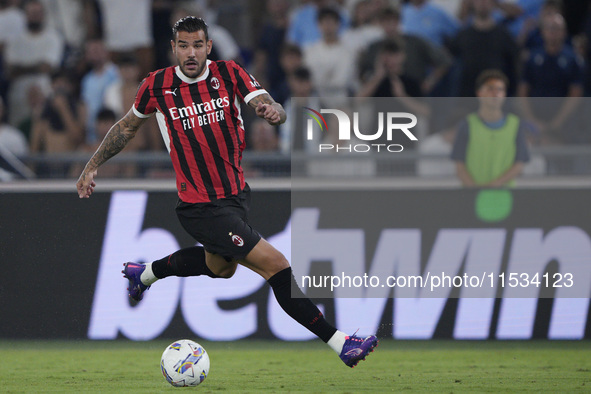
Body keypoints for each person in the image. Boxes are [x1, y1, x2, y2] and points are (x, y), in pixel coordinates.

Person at [76, 16, 377, 368]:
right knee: (276, 266)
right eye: (183, 45)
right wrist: (92, 164)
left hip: (234, 196)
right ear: (173, 48)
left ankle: (142, 274)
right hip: (199, 205)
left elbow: (269, 103)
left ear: (209, 47)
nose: (191, 53)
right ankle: (341, 343)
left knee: (221, 269)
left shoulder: (229, 73)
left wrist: (273, 112)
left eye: (197, 45)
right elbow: (127, 127)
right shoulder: (157, 85)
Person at [451, 69, 530, 187]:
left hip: (504, 196)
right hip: (470, 196)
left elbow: (519, 164)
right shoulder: (467, 124)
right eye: (490, 89)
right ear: (479, 93)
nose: (495, 94)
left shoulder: (515, 125)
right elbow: (459, 165)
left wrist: (495, 185)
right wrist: (474, 189)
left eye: (500, 89)